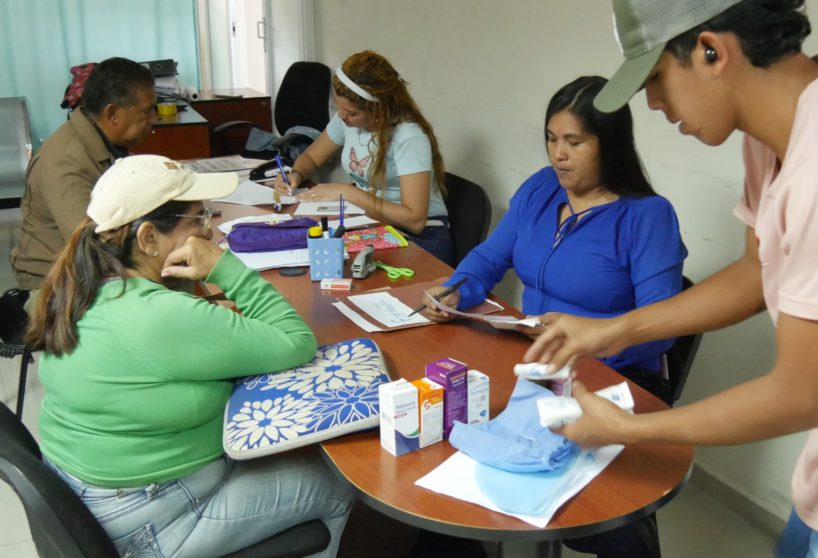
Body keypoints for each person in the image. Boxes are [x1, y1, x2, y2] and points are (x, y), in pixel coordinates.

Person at [525, 1, 818, 556]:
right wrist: (608, 331)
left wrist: (627, 430)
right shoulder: (777, 129)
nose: (654, 103)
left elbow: (800, 396)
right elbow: (757, 272)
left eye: (657, 79)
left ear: (712, 51)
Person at [26, 155, 353, 558]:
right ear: (147, 238)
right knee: (339, 485)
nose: (210, 231)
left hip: (93, 494)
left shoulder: (81, 282)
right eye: (197, 220)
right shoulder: (156, 316)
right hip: (151, 516)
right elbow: (296, 341)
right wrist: (225, 268)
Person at [424, 76, 687, 405]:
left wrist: (584, 334)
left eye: (574, 143)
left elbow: (658, 330)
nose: (558, 155)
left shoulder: (648, 217)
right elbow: (489, 259)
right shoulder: (542, 188)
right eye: (551, 139)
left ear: (609, 145)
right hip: (537, 363)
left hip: (610, 377)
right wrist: (455, 291)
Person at [273, 50, 454, 265]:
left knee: (347, 270)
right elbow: (311, 157)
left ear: (379, 110)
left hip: (423, 238)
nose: (342, 116)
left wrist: (347, 192)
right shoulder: (346, 121)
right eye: (339, 107)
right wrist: (296, 174)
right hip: (374, 222)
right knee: (316, 252)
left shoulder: (409, 137)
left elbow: (415, 220)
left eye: (351, 113)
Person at [11, 57, 158, 307]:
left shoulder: (106, 143)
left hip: (88, 270)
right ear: (112, 114)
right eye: (146, 111)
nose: (154, 119)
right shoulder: (66, 161)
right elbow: (89, 244)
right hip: (53, 284)